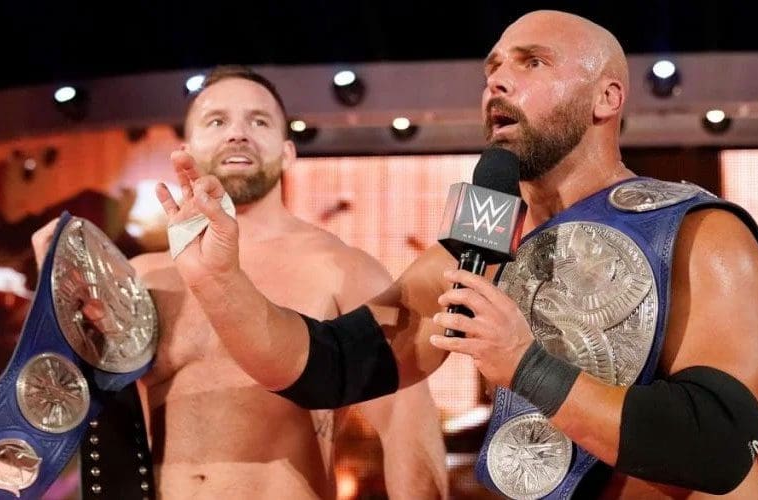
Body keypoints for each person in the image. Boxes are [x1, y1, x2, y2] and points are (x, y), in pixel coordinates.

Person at [157, 11, 758, 499]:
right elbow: (329, 366)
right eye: (493, 68)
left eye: (532, 62)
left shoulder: (700, 232)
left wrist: (526, 366)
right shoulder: (481, 243)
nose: (497, 82)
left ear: (606, 98)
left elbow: (721, 441)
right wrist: (219, 280)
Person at [32, 65, 447, 499]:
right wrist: (56, 303)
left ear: (287, 152)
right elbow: (67, 408)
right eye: (217, 121)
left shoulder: (344, 269)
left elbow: (405, 421)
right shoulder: (141, 276)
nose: (237, 134)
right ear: (186, 150)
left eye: (259, 121)